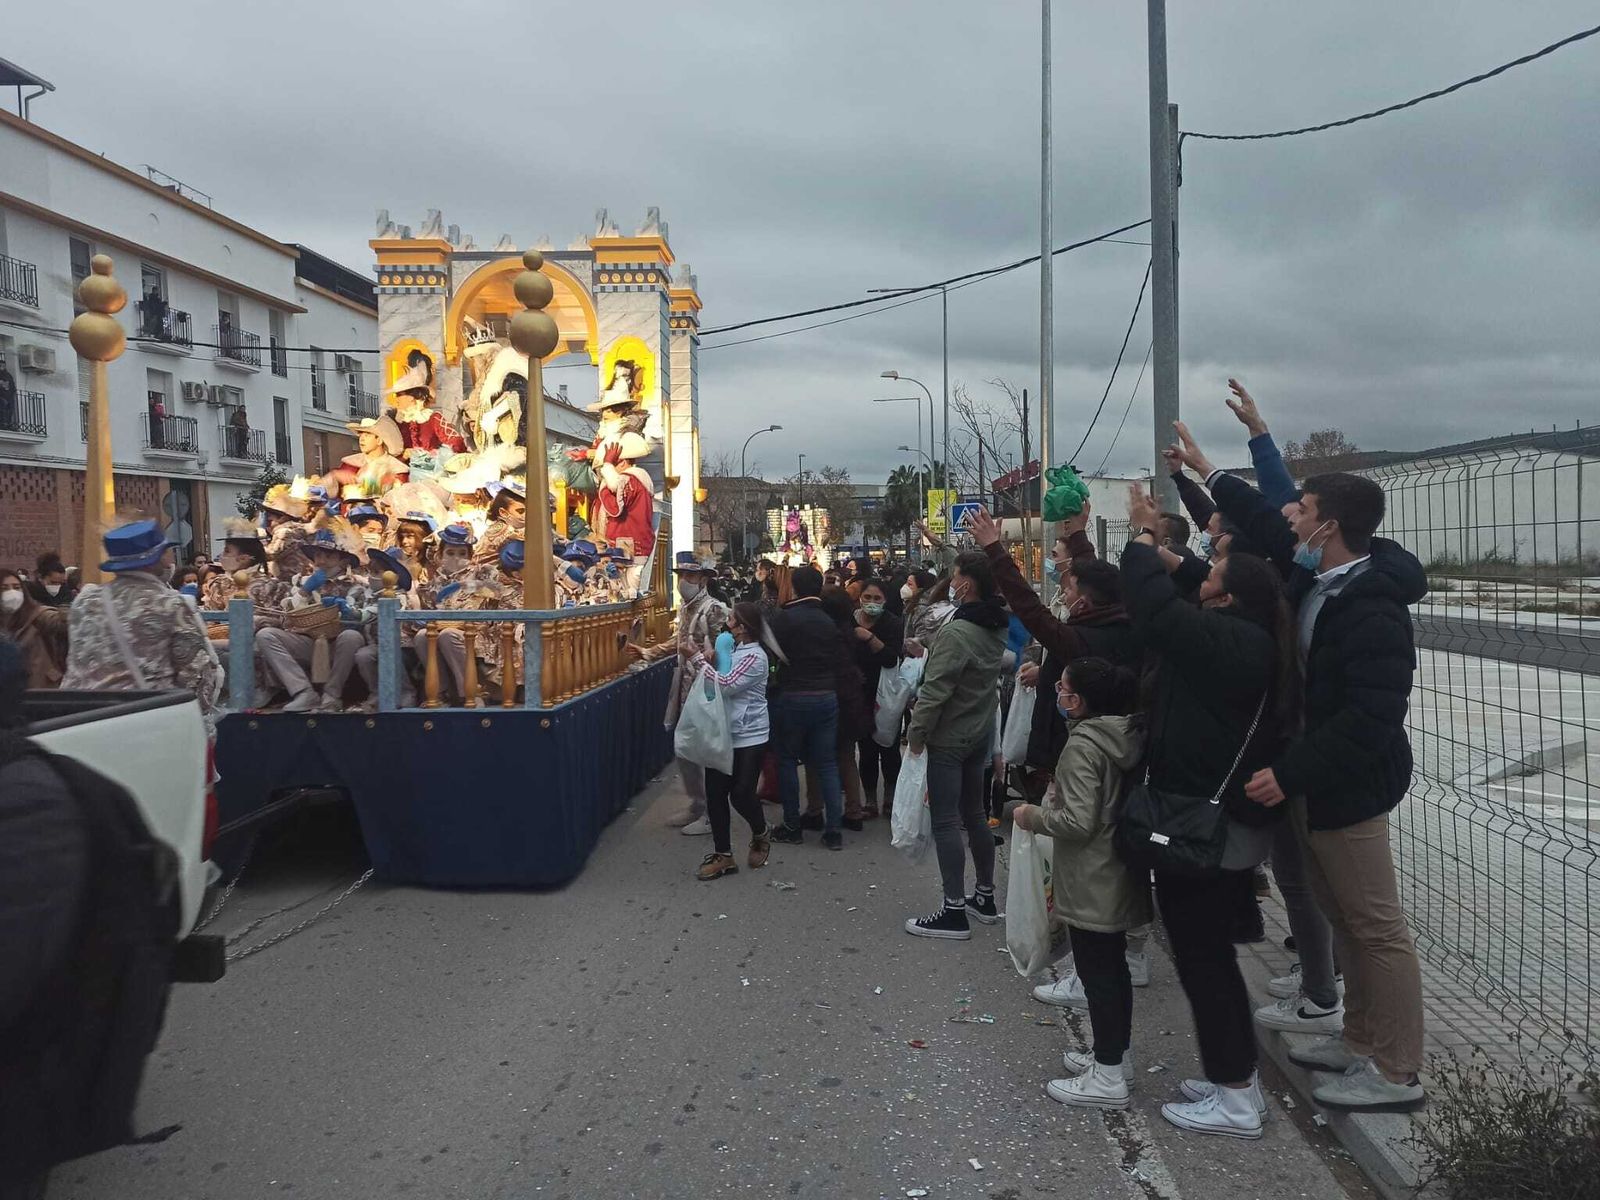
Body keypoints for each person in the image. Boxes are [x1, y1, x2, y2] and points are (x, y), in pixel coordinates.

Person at [1202, 459, 1429, 1112]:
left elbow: (1372, 717)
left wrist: (1290, 772)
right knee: (1344, 920)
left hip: (1348, 789)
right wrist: (1207, 473)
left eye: (1300, 509)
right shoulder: (1320, 581)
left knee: (1377, 929)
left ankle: (1396, 1071)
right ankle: (1359, 1040)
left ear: (1327, 526)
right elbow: (1262, 519)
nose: (1289, 516)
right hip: (1315, 783)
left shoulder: (1372, 607)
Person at [1120, 484, 1299, 1139]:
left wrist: (1144, 538)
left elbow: (1154, 611)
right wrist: (1168, 553)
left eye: (1211, 575)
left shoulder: (1230, 642)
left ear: (1225, 598)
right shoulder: (1248, 632)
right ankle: (1237, 1077)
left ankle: (1235, 1098)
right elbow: (1183, 585)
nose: (1200, 577)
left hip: (1205, 829)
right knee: (1210, 956)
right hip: (1217, 824)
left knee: (1205, 960)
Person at [1012, 657, 1149, 1108]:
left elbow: (1077, 820)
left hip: (1092, 875)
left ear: (1079, 701)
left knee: (1098, 975)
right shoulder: (1125, 735)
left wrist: (1031, 815)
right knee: (1112, 971)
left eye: (1063, 689)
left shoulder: (1084, 745)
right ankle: (1114, 1057)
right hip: (1117, 868)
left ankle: (1107, 1076)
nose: (1057, 695)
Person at [903, 550, 1007, 939]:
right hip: (978, 732)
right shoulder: (994, 625)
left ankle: (953, 910)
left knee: (946, 820)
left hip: (949, 736)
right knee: (975, 814)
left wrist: (916, 735)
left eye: (956, 575)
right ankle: (984, 896)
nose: (951, 582)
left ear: (967, 583)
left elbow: (935, 691)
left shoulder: (957, 632)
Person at [61, 520, 223, 729]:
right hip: (143, 719)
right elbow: (197, 675)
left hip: (80, 719)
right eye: (166, 551)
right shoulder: (168, 603)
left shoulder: (85, 601)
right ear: (154, 560)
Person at [628, 555, 729, 836]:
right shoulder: (686, 609)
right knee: (685, 748)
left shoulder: (715, 609)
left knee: (706, 751)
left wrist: (710, 661)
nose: (684, 581)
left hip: (707, 689)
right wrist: (649, 652)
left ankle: (711, 813)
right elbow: (680, 641)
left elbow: (727, 646)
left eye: (691, 576)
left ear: (704, 580)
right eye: (681, 576)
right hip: (685, 686)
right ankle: (697, 804)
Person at [690, 602, 779, 880]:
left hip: (749, 735)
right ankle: (723, 855)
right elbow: (716, 679)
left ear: (743, 627)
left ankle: (760, 831)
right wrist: (710, 661)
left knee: (741, 793)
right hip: (723, 731)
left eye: (731, 619)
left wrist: (697, 659)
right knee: (715, 793)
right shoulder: (734, 650)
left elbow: (726, 685)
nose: (726, 624)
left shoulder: (755, 657)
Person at [254, 518, 372, 713]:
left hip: (339, 646)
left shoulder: (359, 585)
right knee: (266, 635)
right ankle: (303, 692)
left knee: (351, 636)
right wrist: (304, 592)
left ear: (343, 561)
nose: (321, 561)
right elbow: (286, 618)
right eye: (318, 554)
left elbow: (363, 621)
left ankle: (331, 695)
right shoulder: (300, 582)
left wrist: (348, 613)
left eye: (328, 556)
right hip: (307, 643)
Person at [765, 564, 846, 848]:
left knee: (787, 760)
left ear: (795, 588)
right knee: (826, 763)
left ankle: (792, 825)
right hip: (826, 695)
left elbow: (771, 654)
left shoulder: (784, 618)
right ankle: (833, 831)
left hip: (793, 695)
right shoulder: (827, 619)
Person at [852, 578, 904, 818]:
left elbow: (891, 658)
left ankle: (891, 798)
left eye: (877, 598)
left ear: (885, 600)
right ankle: (870, 799)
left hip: (886, 694)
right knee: (866, 749)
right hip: (859, 693)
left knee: (889, 748)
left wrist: (869, 638)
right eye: (867, 597)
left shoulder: (892, 623)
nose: (871, 603)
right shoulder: (851, 620)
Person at [0, 569, 66, 689]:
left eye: (16, 587)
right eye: (4, 588)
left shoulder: (36, 615)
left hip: (40, 689)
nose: (12, 592)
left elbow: (57, 621)